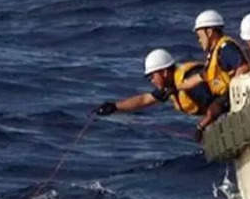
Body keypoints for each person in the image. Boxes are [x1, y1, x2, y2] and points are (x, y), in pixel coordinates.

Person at [94, 48, 226, 141]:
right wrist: (115, 107)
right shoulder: (171, 86)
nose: (152, 81)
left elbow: (217, 105)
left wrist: (201, 127)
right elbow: (144, 100)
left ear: (164, 72)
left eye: (152, 76)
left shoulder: (190, 82)